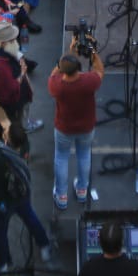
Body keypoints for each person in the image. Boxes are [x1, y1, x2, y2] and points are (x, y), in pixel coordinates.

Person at [49, 30, 104, 210]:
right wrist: (92, 50)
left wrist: (69, 52)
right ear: (78, 68)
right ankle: (82, 190)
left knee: (62, 158)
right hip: (86, 127)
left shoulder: (57, 85)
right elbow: (99, 70)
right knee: (84, 155)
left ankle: (62, 195)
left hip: (64, 128)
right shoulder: (88, 81)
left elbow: (54, 72)